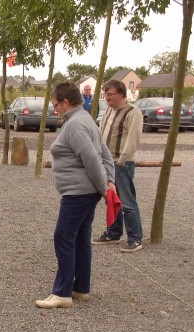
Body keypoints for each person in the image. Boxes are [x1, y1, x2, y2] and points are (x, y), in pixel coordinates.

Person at [36, 82, 116, 309]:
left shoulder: (75, 126)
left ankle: (62, 293)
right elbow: (105, 152)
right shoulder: (86, 120)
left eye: (56, 105)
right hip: (85, 192)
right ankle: (81, 288)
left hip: (78, 193)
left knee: (63, 236)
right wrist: (108, 181)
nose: (55, 109)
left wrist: (104, 187)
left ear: (66, 102)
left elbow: (92, 157)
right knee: (81, 238)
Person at [93, 80, 144, 252]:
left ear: (122, 94)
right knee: (111, 200)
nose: (107, 97)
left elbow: (133, 138)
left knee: (127, 202)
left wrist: (122, 160)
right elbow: (101, 131)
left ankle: (135, 238)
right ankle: (113, 233)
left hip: (121, 163)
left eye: (111, 94)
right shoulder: (108, 110)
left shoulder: (132, 112)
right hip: (106, 162)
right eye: (105, 94)